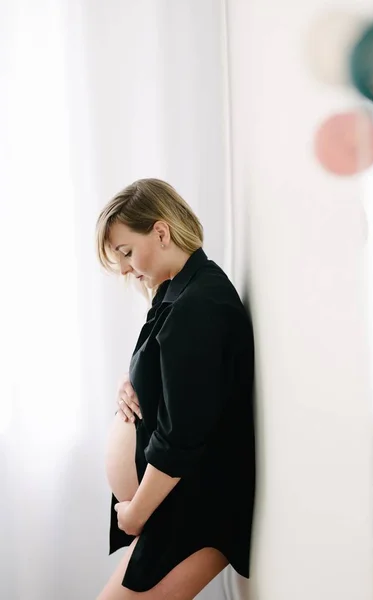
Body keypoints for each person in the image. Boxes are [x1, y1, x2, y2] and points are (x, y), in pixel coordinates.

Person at [95, 178, 256, 600]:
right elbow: (176, 383)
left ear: (161, 232)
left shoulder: (198, 305)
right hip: (175, 507)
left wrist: (134, 514)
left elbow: (181, 436)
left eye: (127, 252)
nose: (127, 268)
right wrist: (128, 383)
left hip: (195, 514)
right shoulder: (177, 290)